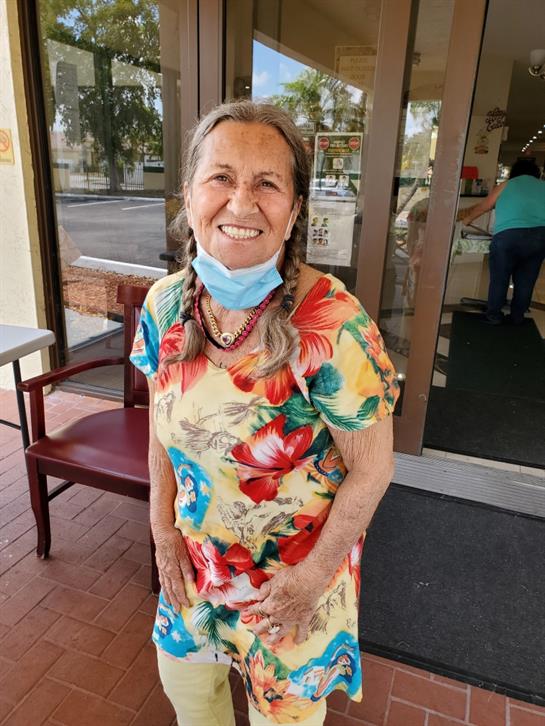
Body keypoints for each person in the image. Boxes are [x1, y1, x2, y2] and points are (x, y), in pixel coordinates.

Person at [130, 100, 399, 726]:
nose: (241, 202)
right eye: (221, 177)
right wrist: (162, 527)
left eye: (267, 183)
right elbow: (159, 423)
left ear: (294, 209)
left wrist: (310, 581)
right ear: (191, 194)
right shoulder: (166, 305)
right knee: (190, 696)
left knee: (285, 720)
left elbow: (373, 469)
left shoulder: (332, 325)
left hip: (294, 582)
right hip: (197, 564)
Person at [462, 159, 545, 324]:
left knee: (500, 278)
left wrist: (467, 219)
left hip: (508, 237)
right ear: (537, 174)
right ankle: (517, 317)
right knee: (526, 281)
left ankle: (493, 316)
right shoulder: (543, 186)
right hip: (540, 237)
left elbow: (484, 206)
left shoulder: (507, 185)